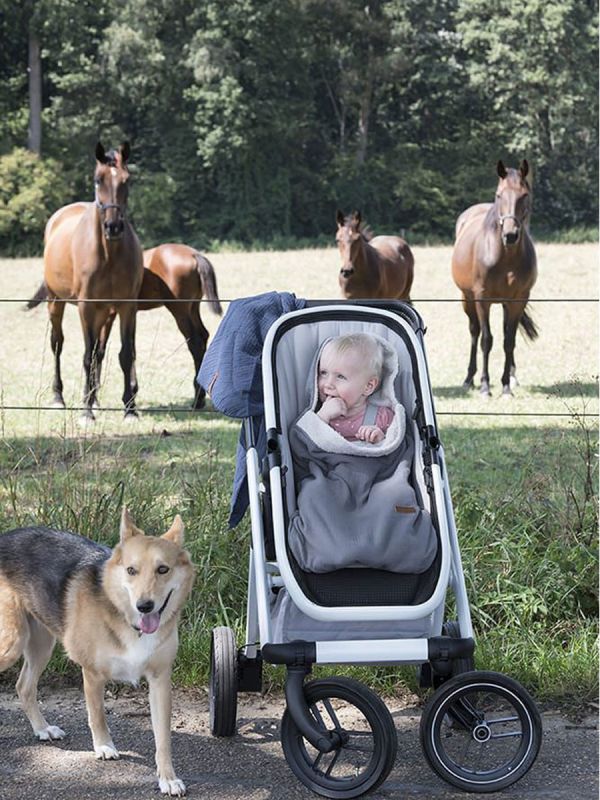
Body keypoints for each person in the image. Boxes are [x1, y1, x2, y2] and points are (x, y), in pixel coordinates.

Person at [315, 333, 394, 443]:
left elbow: (399, 450)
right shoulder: (316, 415)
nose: (328, 384)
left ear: (368, 386)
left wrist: (381, 440)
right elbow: (300, 444)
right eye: (323, 373)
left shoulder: (383, 418)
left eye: (340, 376)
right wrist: (322, 417)